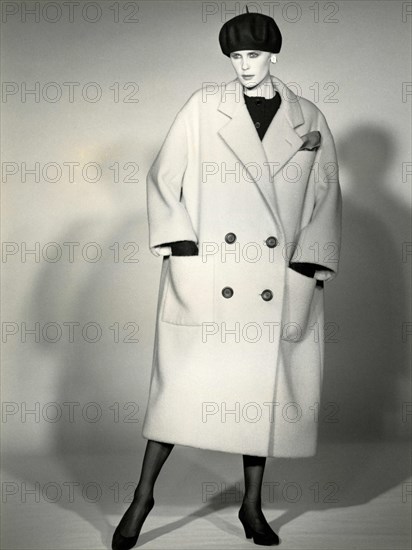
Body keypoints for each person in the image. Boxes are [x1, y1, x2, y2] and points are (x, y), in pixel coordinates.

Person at [112, 6, 342, 549]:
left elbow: (328, 193)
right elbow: (164, 176)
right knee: (179, 396)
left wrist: (308, 261)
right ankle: (142, 498)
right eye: (236, 56)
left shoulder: (308, 117)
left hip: (276, 279)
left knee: (255, 399)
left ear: (274, 56)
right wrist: (182, 245)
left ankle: (251, 507)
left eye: (254, 55)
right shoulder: (202, 107)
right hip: (210, 276)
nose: (244, 66)